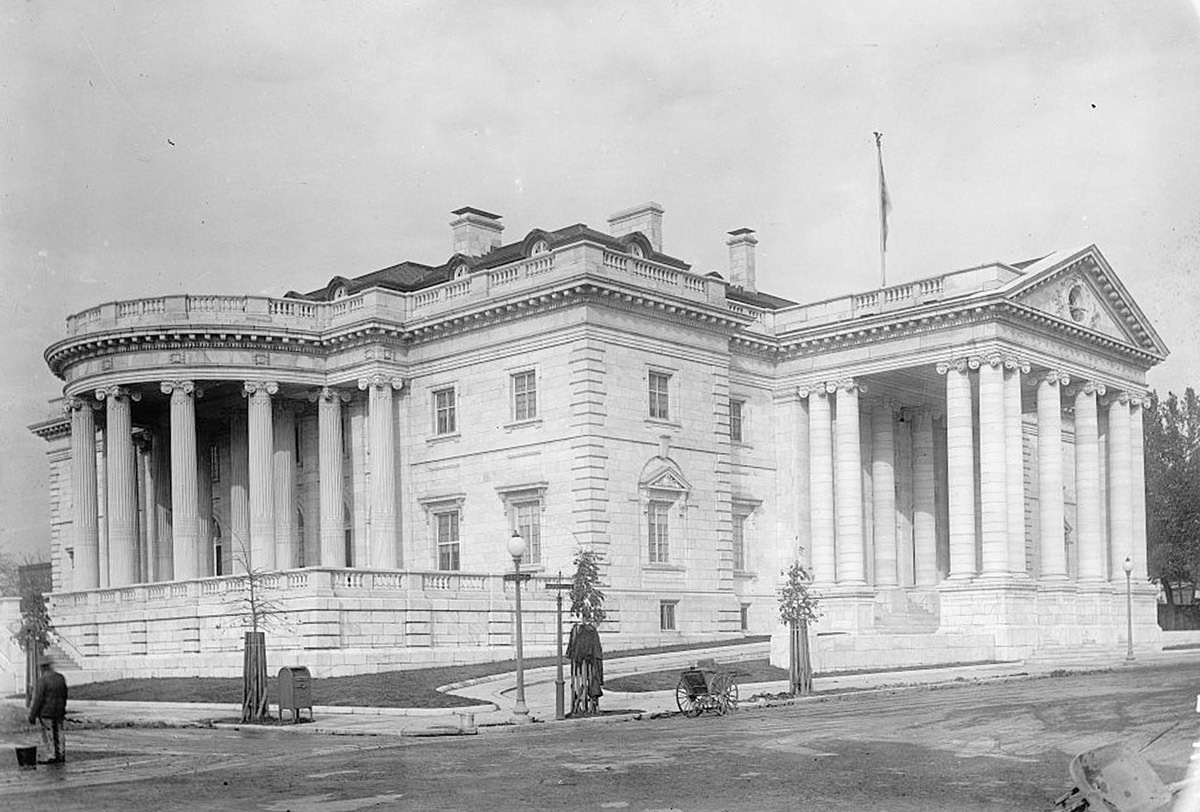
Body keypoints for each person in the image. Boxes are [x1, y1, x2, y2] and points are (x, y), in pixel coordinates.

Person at [28, 659, 68, 764]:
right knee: (59, 732)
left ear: (43, 668)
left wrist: (32, 715)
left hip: (46, 712)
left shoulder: (43, 680)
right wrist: (63, 708)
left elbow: (39, 699)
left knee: (48, 734)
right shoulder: (60, 678)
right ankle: (61, 754)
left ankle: (51, 755)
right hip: (59, 711)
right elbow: (65, 695)